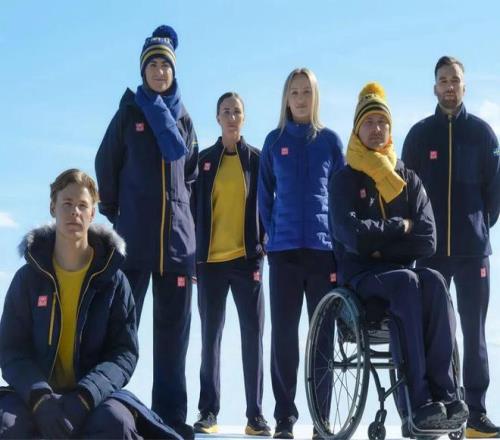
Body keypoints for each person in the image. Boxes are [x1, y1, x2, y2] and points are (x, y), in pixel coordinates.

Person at [329, 83, 469, 438]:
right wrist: (398, 227)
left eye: (382, 122)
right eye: (369, 122)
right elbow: (352, 237)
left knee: (434, 281)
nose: (377, 129)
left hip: (403, 276)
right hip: (361, 281)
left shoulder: (407, 179)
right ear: (357, 129)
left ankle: (447, 396)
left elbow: (428, 239)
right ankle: (417, 405)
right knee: (408, 281)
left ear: (391, 128)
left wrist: (381, 245)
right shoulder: (344, 179)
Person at [0, 169, 181, 439]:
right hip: (33, 397)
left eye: (83, 205)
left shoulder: (114, 281)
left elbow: (124, 352)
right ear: (52, 208)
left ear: (93, 213)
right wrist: (40, 397)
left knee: (117, 424)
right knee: (7, 426)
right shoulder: (27, 279)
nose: (75, 212)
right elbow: (11, 350)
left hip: (94, 399)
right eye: (67, 203)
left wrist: (85, 396)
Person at [95, 25, 198, 438]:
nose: (159, 71)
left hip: (177, 248)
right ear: (143, 71)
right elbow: (105, 165)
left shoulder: (184, 118)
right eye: (153, 65)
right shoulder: (128, 114)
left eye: (165, 65)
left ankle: (169, 420)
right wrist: (119, 214)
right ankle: (103, 409)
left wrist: (184, 221)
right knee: (120, 332)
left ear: (173, 71)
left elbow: (191, 177)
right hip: (133, 245)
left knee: (173, 339)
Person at [402, 56, 500, 438]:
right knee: (436, 333)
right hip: (430, 253)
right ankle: (438, 409)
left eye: (454, 80)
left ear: (464, 86)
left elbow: (494, 194)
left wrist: (477, 224)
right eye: (443, 80)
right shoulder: (418, 136)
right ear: (434, 87)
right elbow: (406, 191)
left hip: (473, 252)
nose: (449, 86)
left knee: (474, 334)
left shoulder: (483, 134)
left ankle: (476, 414)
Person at [258, 68, 344, 439]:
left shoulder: (330, 142)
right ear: (286, 98)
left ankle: (321, 420)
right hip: (285, 254)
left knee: (322, 337)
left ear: (315, 96)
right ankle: (284, 418)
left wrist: (338, 243)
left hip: (323, 253)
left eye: (306, 91)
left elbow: (340, 195)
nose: (300, 98)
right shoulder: (274, 142)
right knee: (283, 337)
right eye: (294, 92)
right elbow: (264, 196)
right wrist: (273, 235)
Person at [193, 92, 270, 437]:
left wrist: (262, 244)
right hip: (210, 262)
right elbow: (192, 209)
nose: (231, 117)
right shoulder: (204, 161)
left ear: (244, 117)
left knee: (253, 337)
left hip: (247, 261)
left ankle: (255, 416)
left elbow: (268, 202)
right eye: (226, 111)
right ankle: (208, 412)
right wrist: (193, 257)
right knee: (210, 338)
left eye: (237, 111)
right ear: (217, 118)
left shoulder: (256, 159)